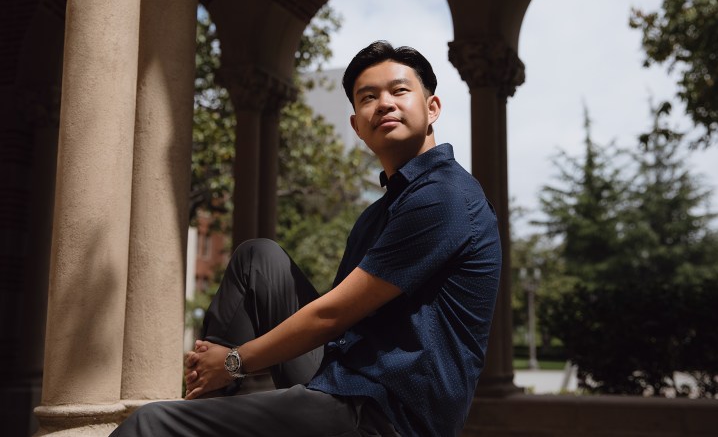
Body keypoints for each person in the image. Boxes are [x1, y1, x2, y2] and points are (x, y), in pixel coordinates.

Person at [111, 41, 501, 437]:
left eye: (399, 91)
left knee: (150, 422)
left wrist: (234, 360)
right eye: (368, 97)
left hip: (387, 414)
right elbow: (338, 327)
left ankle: (205, 398)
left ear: (432, 107)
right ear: (356, 125)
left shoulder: (446, 196)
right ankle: (205, 396)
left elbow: (332, 315)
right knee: (258, 259)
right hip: (347, 378)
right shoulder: (377, 213)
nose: (384, 103)